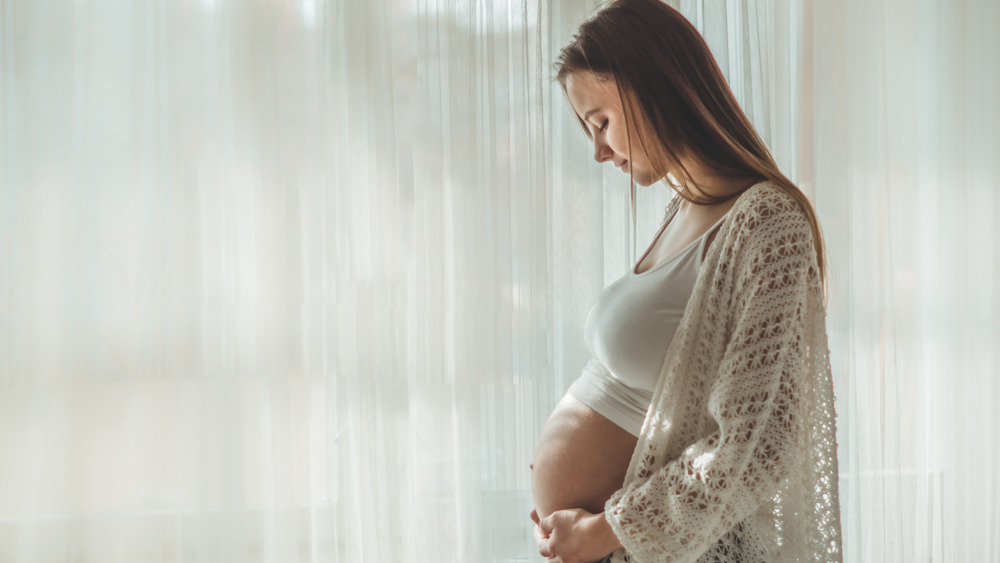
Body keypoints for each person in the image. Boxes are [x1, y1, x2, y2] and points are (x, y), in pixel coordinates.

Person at [528, 1, 842, 562]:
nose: (599, 152)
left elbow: (761, 446)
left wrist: (603, 531)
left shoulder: (768, 223)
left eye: (600, 122)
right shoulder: (682, 210)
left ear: (651, 85)